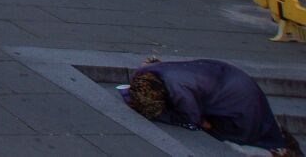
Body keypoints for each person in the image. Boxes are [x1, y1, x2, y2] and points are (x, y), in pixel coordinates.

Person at [121, 58, 299, 155]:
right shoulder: (153, 72)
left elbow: (191, 118)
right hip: (233, 82)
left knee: (234, 130)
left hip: (238, 101)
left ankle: (278, 148)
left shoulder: (176, 87)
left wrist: (164, 115)